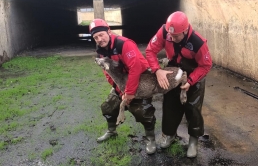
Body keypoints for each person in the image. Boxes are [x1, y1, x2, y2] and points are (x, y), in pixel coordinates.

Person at [145, 11, 212, 158]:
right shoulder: (164, 32)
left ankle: (193, 140)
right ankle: (169, 135)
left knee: (193, 107)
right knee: (170, 104)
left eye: (176, 36)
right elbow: (150, 50)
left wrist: (191, 81)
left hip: (193, 73)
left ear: (186, 30)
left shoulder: (198, 42)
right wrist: (157, 70)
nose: (172, 38)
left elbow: (206, 65)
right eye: (170, 35)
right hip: (173, 71)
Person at [90, 19, 157, 154]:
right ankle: (111, 131)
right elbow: (108, 73)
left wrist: (130, 93)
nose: (99, 39)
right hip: (122, 82)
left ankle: (150, 139)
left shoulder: (124, 44)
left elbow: (135, 68)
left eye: (101, 35)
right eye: (96, 37)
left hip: (140, 79)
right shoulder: (101, 51)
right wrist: (120, 91)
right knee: (109, 106)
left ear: (109, 31)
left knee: (143, 111)